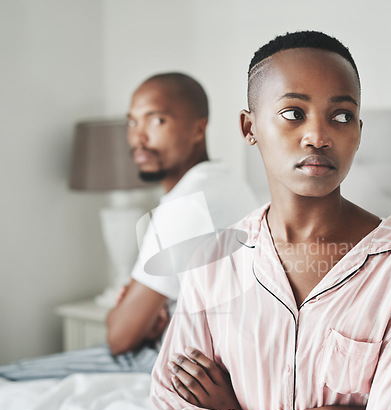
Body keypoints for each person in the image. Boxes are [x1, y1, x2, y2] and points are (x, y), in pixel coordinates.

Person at [150, 32, 391, 410]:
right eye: (293, 113)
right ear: (249, 128)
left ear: (358, 132)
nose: (319, 135)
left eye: (341, 116)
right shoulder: (214, 260)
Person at [0, 73, 259, 380]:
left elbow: (120, 339)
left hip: (169, 361)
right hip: (211, 355)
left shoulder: (186, 206)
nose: (138, 138)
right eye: (132, 122)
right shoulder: (226, 183)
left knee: (9, 377)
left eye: (156, 121)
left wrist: (130, 317)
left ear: (198, 129)